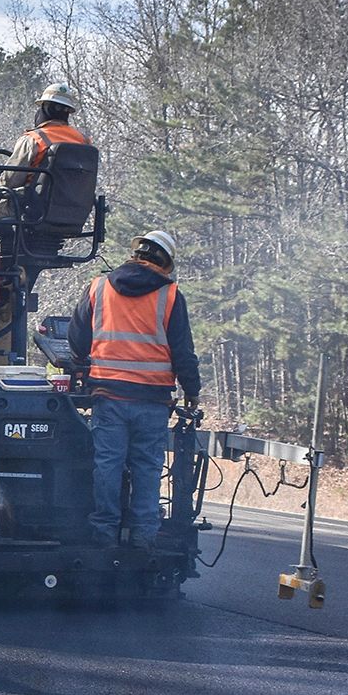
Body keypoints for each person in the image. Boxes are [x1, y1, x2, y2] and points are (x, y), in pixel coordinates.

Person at [68, 229, 201, 550]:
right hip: (152, 401)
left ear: (136, 254)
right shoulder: (169, 296)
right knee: (147, 467)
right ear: (164, 262)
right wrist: (192, 391)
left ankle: (104, 534)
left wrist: (80, 362)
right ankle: (142, 538)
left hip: (110, 398)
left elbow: (76, 338)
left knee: (108, 464)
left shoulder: (99, 287)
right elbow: (183, 351)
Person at [0, 82, 91, 206]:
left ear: (45, 108)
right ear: (68, 112)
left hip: (32, 212)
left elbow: (10, 181)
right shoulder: (84, 142)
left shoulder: (33, 139)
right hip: (73, 214)